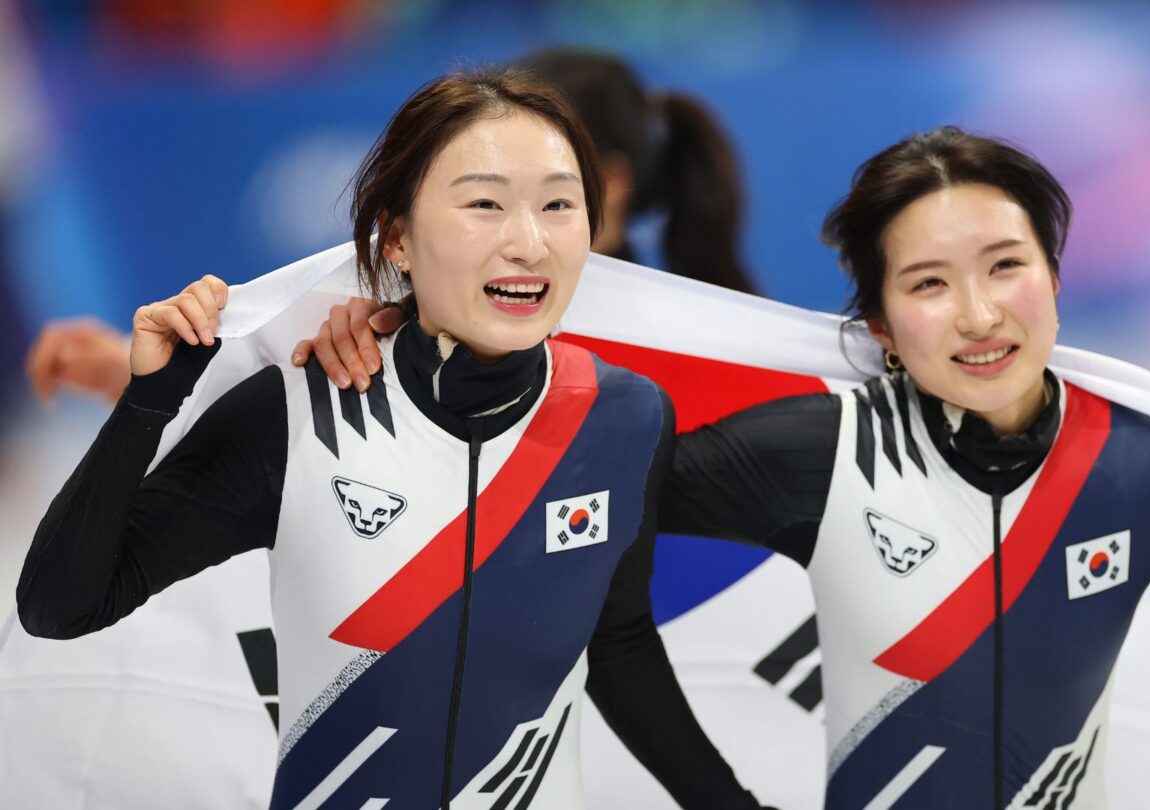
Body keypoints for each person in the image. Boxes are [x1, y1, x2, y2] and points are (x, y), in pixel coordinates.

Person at [313, 126, 1150, 809]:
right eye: (929, 284)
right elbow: (547, 484)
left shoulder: (1146, 467)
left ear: (1053, 276)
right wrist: (403, 340)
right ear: (882, 325)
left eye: (1006, 267)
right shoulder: (819, 450)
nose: (978, 315)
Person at [16, 67, 771, 810]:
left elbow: (619, 640)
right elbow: (62, 606)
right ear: (397, 239)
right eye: (485, 203)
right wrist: (150, 400)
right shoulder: (299, 413)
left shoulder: (625, 417)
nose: (529, 242)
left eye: (558, 205)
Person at [23, 46, 757, 405]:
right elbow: (262, 397)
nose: (515, 232)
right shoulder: (398, 317)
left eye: (549, 190)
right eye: (480, 188)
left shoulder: (682, 354)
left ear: (611, 185)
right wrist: (136, 369)